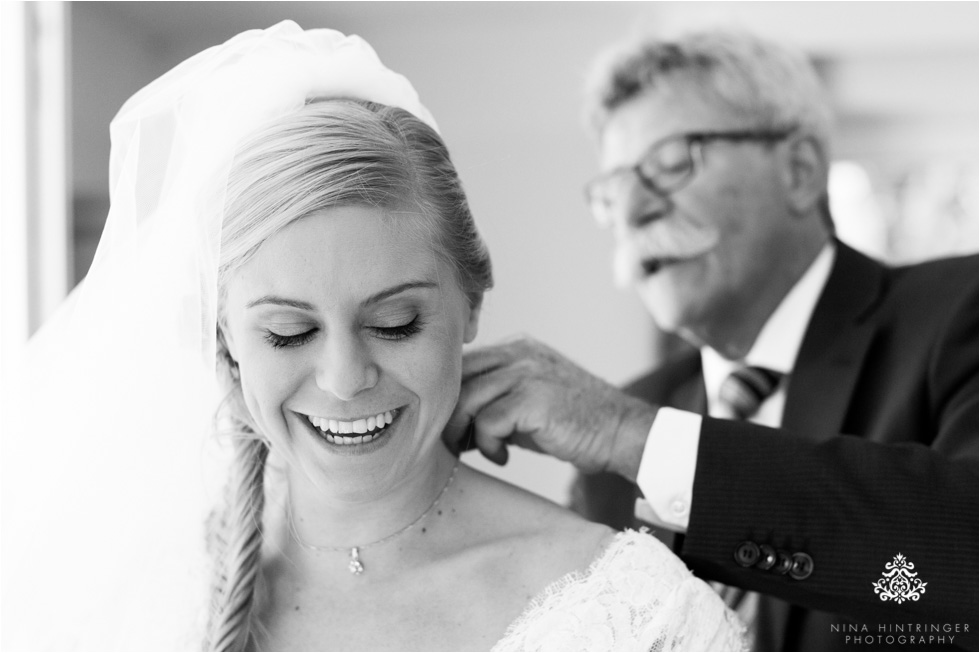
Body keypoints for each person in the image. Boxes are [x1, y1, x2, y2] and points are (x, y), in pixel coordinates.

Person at [3, 22, 746, 651]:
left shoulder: (638, 615)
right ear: (227, 341)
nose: (344, 376)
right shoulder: (134, 582)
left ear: (471, 305)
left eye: (395, 322)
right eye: (289, 333)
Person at [447, 30, 978, 651]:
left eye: (673, 162)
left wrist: (628, 436)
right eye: (614, 189)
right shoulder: (610, 473)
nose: (635, 211)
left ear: (800, 170)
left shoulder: (960, 311)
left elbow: (960, 560)